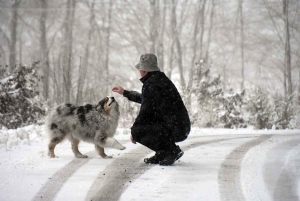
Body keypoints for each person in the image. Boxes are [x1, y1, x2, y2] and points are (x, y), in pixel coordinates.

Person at [112, 53, 190, 166]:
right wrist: (125, 92)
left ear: (144, 70)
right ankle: (162, 152)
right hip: (180, 126)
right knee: (149, 124)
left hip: (175, 128)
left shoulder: (151, 84)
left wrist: (134, 132)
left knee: (138, 130)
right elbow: (147, 100)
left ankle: (171, 151)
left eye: (140, 69)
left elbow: (145, 111)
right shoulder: (159, 80)